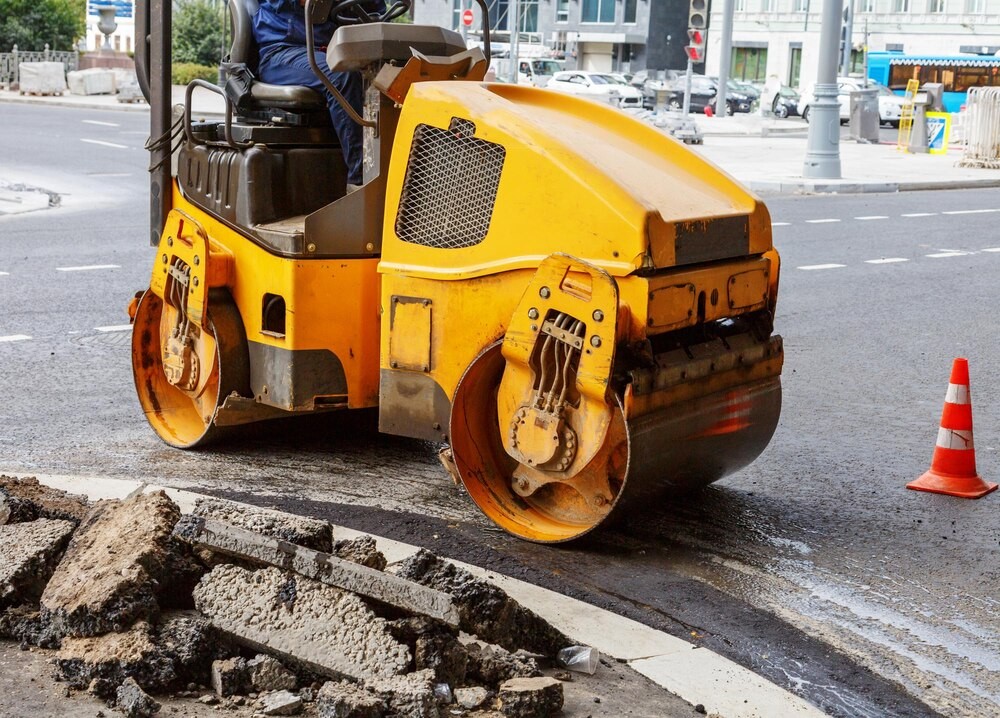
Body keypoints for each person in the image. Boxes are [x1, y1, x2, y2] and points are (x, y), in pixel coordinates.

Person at [252, 0, 386, 186]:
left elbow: (377, 10)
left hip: (334, 50)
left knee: (393, 74)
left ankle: (400, 174)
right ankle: (362, 182)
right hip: (284, 51)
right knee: (342, 76)